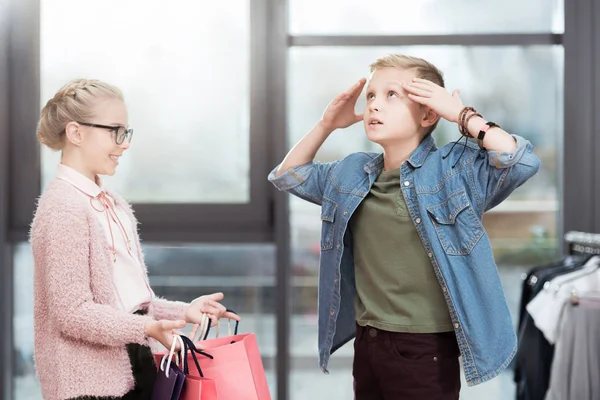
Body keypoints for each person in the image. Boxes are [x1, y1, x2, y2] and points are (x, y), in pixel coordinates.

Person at [268, 54, 540, 399]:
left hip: (425, 349)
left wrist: (461, 114)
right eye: (370, 96)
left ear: (428, 113)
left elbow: (522, 161)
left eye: (391, 95)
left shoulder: (454, 170)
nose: (374, 106)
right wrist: (327, 125)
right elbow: (288, 176)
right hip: (368, 343)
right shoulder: (352, 172)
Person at [30, 79, 239, 400]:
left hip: (134, 363)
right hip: (88, 386)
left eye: (126, 132)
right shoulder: (62, 208)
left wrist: (184, 312)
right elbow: (72, 313)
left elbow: (134, 304)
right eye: (115, 131)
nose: (124, 143)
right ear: (76, 133)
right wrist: (146, 329)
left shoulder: (113, 204)